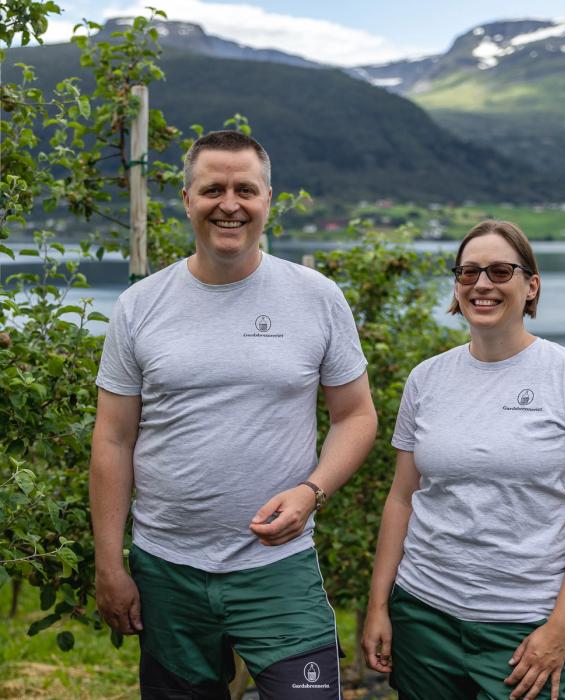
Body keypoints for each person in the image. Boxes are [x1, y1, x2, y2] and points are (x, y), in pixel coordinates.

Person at [90, 130, 377, 700]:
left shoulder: (316, 297)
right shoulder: (140, 306)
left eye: (245, 189)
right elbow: (113, 439)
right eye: (212, 189)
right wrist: (110, 565)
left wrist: (312, 492)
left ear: (268, 198)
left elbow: (356, 415)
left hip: (279, 565)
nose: (229, 204)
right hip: (167, 566)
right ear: (187, 199)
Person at [362, 220, 565, 700]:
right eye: (468, 273)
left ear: (531, 286)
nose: (482, 284)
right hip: (424, 614)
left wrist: (559, 630)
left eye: (501, 271)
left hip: (525, 625)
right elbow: (402, 499)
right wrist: (379, 604)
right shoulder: (426, 379)